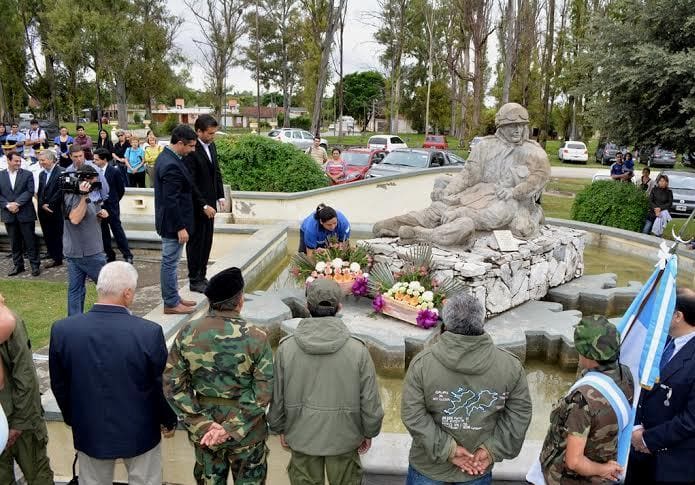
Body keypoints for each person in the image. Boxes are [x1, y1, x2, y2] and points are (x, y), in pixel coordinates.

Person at [49, 262, 178, 485]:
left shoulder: (63, 330)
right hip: (141, 432)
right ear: (127, 293)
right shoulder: (148, 333)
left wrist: (73, 418)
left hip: (89, 430)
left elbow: (59, 384)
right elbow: (160, 387)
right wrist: (168, 419)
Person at [373, 103, 550, 246]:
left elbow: (539, 178)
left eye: (520, 125)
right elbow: (467, 175)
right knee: (440, 209)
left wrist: (514, 191)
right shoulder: (485, 146)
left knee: (494, 215)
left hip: (510, 200)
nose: (517, 130)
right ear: (501, 127)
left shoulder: (533, 152)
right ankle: (404, 223)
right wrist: (448, 192)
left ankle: (427, 234)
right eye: (511, 126)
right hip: (478, 193)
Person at [401, 292, 532, 485]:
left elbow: (413, 415)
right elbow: (519, 416)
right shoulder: (510, 366)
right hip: (477, 467)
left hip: (428, 468)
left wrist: (448, 450)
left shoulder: (422, 364)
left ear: (446, 323)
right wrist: (490, 450)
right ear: (481, 321)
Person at [163, 267, 274, 485]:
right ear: (240, 299)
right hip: (248, 434)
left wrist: (203, 425)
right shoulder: (257, 337)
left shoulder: (187, 332)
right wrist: (230, 428)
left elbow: (172, 385)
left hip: (206, 434)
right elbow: (263, 391)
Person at [268, 278, 384, 485]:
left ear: (306, 307)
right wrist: (369, 431)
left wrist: (279, 427)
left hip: (301, 436)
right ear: (339, 307)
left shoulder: (286, 348)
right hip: (345, 439)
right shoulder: (358, 350)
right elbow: (370, 401)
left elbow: (277, 397)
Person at [533, 316, 633, 485]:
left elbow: (574, 461)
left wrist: (604, 470)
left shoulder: (582, 399)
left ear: (586, 354)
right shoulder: (626, 374)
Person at [625, 288, 695, 485]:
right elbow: (641, 382)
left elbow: (690, 420)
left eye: (664, 310)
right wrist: (636, 427)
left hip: (671, 463)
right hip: (638, 455)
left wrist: (647, 439)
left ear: (677, 316)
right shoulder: (659, 341)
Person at [0, 296, 54, 484]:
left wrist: (18, 424)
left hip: (21, 421)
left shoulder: (8, 322)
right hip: (17, 421)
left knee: (38, 476)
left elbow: (24, 376)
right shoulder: (8, 320)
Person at [154, 124, 197, 314]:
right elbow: (170, 200)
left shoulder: (170, 157)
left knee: (173, 262)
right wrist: (180, 227)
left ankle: (174, 297)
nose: (192, 150)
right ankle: (171, 302)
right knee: (170, 263)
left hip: (173, 221)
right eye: (190, 146)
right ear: (180, 143)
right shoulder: (170, 164)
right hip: (173, 224)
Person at [185, 114, 226, 293]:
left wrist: (220, 196)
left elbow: (215, 172)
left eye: (214, 133)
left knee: (207, 241)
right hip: (197, 206)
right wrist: (203, 205)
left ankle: (202, 275)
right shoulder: (192, 151)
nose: (212, 136)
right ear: (199, 131)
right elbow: (191, 182)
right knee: (197, 243)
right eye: (209, 133)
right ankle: (194, 279)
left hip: (211, 203)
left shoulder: (212, 146)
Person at [63, 164, 108, 316]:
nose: (95, 185)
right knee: (107, 288)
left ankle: (74, 322)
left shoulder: (88, 195)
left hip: (81, 250)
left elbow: (90, 213)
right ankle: (113, 319)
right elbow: (75, 219)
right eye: (93, 182)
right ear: (85, 180)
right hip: (87, 252)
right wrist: (83, 196)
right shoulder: (74, 196)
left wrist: (100, 213)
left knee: (75, 289)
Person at [0, 152, 41, 276]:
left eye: (19, 161)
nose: (18, 163)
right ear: (8, 160)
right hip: (8, 214)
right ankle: (18, 266)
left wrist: (17, 204)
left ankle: (35, 265)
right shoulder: (0, 175)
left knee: (30, 241)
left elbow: (29, 191)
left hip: (25, 212)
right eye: (16, 161)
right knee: (14, 242)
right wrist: (8, 205)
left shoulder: (27, 174)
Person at [93, 148, 133, 264]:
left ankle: (127, 254)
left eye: (96, 159)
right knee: (103, 232)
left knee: (117, 230)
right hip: (99, 206)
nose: (94, 161)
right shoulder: (94, 171)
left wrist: (113, 201)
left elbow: (121, 189)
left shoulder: (114, 171)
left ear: (104, 159)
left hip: (112, 207)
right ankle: (109, 255)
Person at [37, 150, 65, 268]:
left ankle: (58, 258)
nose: (40, 162)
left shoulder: (61, 172)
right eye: (39, 160)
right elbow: (40, 191)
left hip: (55, 209)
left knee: (57, 234)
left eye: (42, 160)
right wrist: (42, 204)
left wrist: (50, 204)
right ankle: (52, 254)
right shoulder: (42, 174)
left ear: (50, 160)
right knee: (47, 234)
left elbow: (61, 191)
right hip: (43, 210)